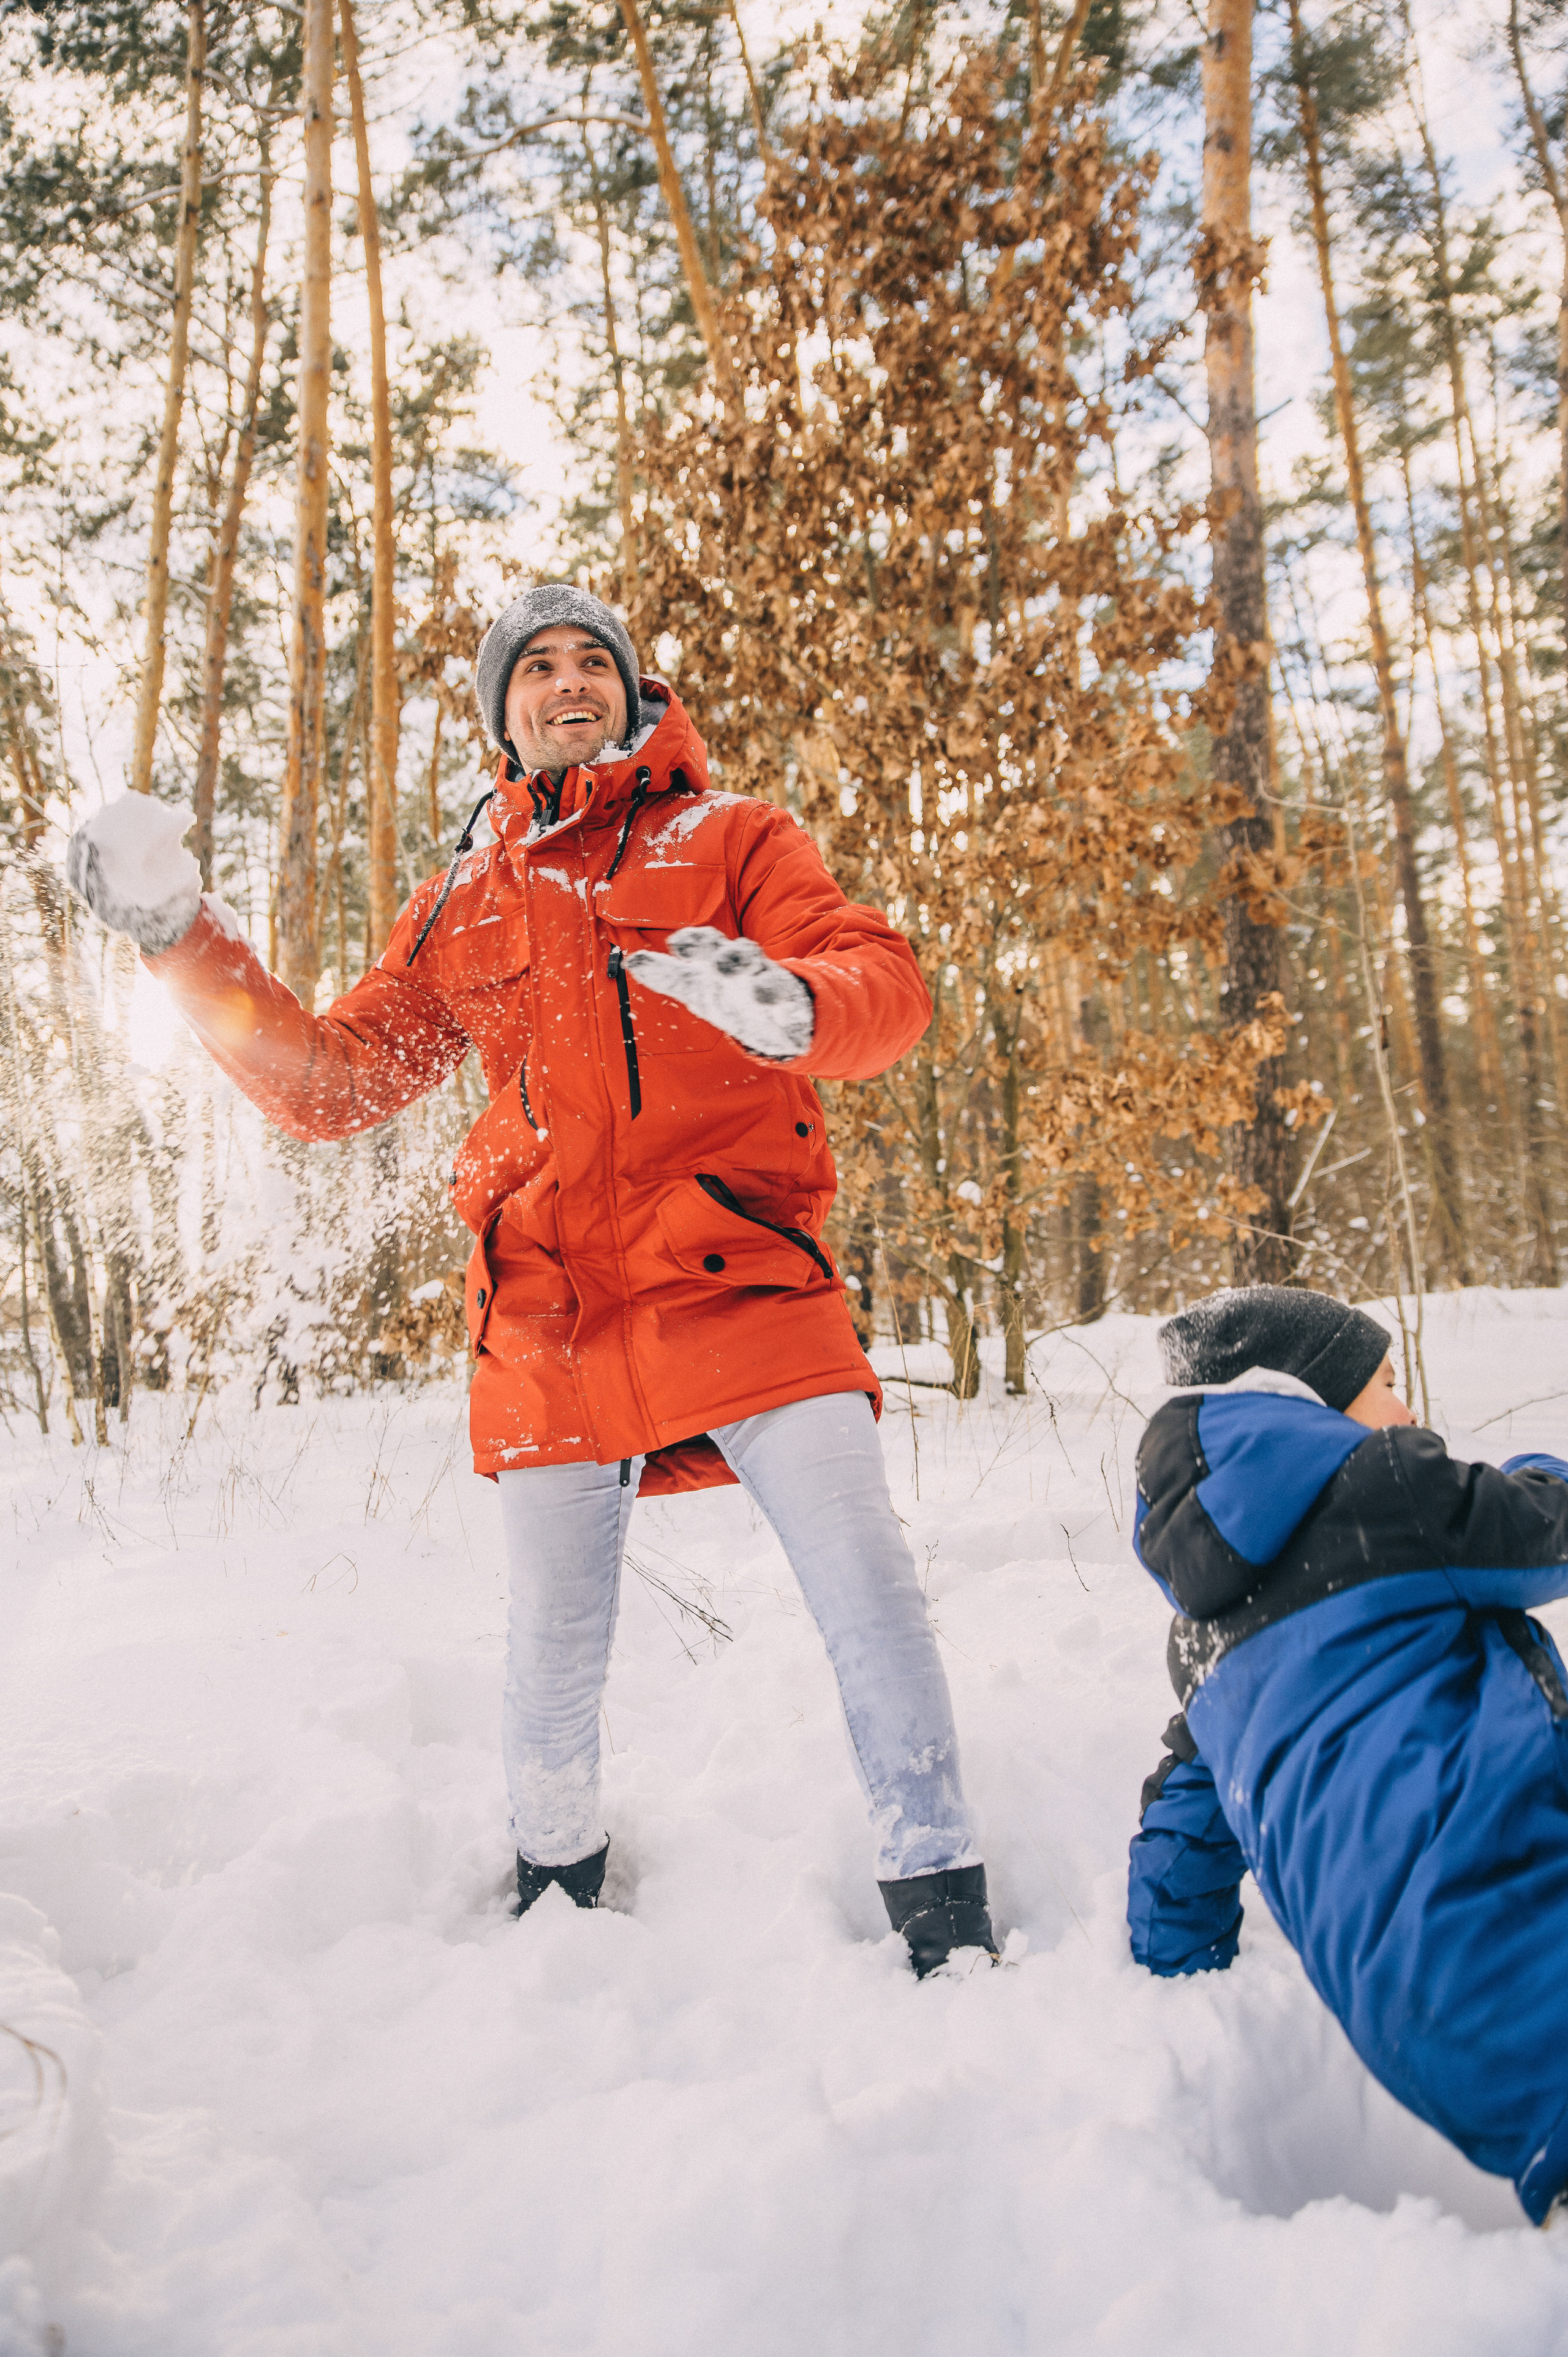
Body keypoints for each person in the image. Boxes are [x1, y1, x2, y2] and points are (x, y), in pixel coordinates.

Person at [66, 585, 997, 1977]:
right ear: (501, 714)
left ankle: (943, 1906)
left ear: (631, 694)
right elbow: (333, 1083)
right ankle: (553, 1910)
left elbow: (885, 985)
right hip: (548, 1317)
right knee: (553, 1648)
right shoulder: (459, 900)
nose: (569, 683)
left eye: (592, 664)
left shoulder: (730, 836)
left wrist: (794, 1005)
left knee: (866, 1584)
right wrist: (176, 936)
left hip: (742, 1273)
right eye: (536, 669)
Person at [1126, 1282, 1568, 2222]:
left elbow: (1178, 1838)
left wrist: (1176, 1965)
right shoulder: (1386, 1488)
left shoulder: (1201, 1647)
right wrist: (1530, 1469)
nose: (1404, 1409)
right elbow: (1546, 1533)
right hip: (1529, 1921)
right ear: (1313, 1403)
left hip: (1421, 2031)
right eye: (1384, 1384)